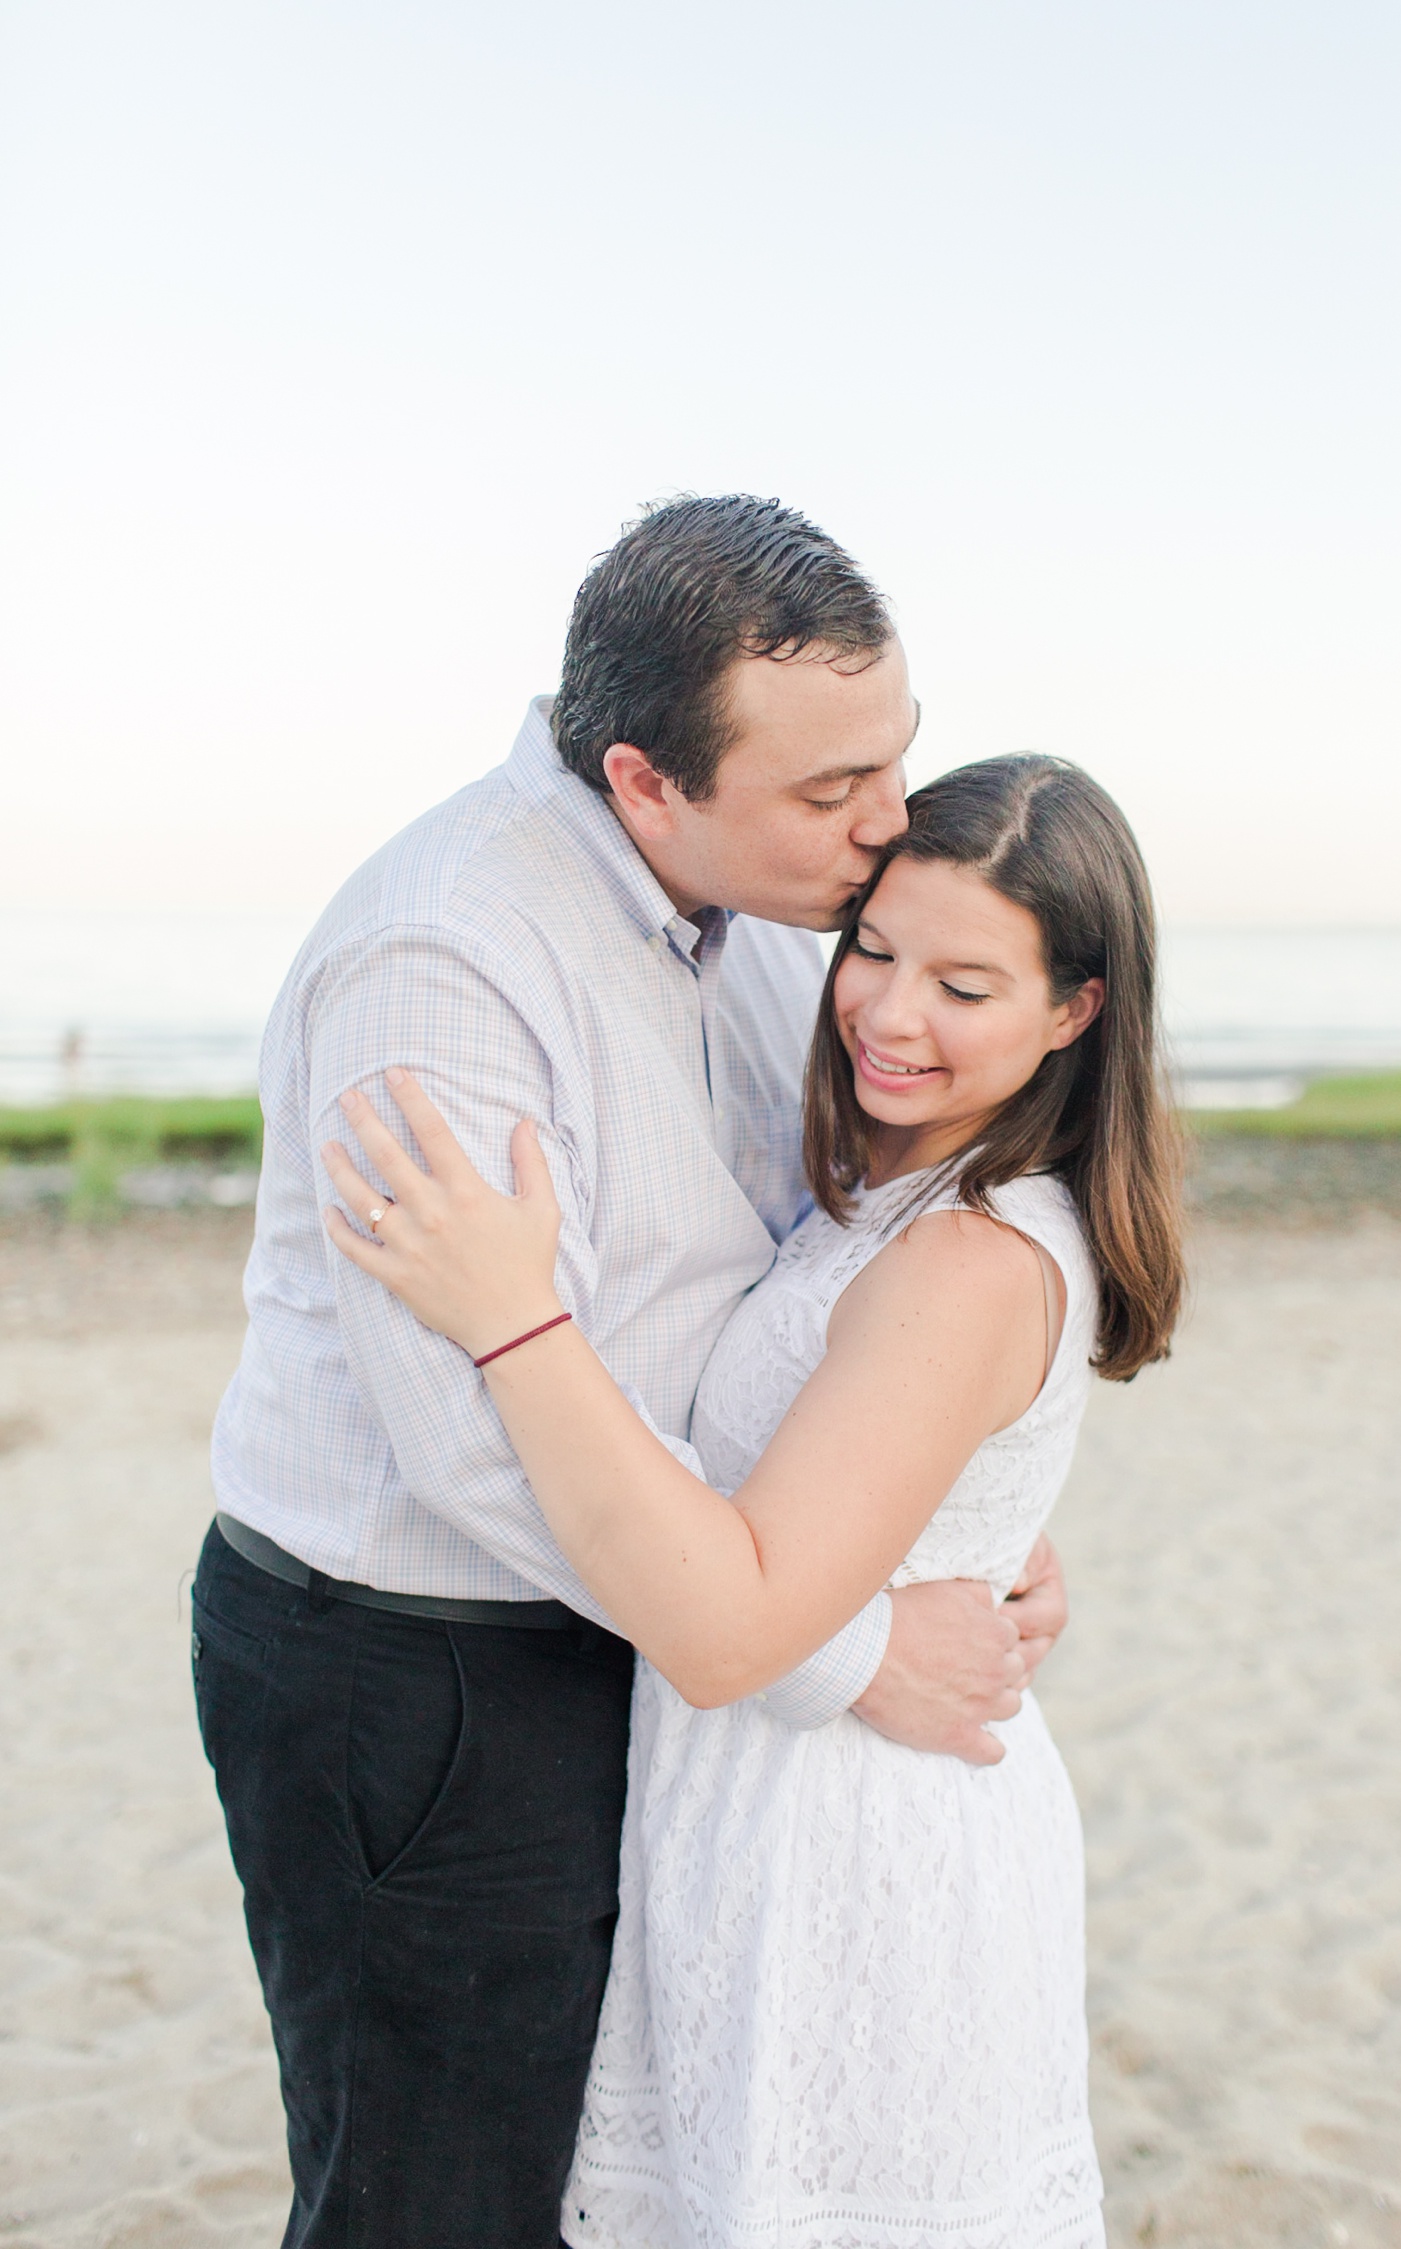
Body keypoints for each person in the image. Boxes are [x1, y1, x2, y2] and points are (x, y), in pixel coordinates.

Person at [193, 496, 1070, 2248]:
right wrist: (845, 1636)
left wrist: (919, 1514)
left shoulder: (766, 919)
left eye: (889, 761)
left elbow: (801, 1272)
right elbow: (473, 1447)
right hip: (426, 1668)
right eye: (831, 793)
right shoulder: (448, 955)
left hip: (635, 1646)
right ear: (644, 777)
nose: (889, 826)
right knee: (435, 2200)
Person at [323, 752, 1186, 2248]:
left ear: (1076, 1011)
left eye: (965, 986)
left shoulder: (970, 1253)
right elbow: (865, 1446)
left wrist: (511, 1314)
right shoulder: (913, 1187)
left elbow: (728, 1630)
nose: (890, 1012)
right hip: (773, 1813)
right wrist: (981, 1524)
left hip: (854, 1842)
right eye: (874, 948)